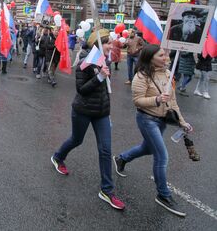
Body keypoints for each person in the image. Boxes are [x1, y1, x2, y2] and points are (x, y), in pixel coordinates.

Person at [113, 45, 193, 217]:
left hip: (163, 120)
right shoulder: (141, 76)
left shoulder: (167, 73)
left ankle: (121, 158)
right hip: (147, 120)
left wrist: (182, 122)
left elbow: (173, 102)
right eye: (161, 55)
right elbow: (137, 101)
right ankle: (163, 195)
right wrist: (157, 99)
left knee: (148, 148)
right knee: (161, 155)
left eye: (166, 54)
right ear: (150, 57)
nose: (166, 57)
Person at [50, 29, 126, 211]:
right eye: (107, 43)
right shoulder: (86, 60)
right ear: (97, 43)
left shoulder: (105, 59)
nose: (111, 46)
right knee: (77, 140)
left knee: (106, 150)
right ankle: (58, 157)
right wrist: (100, 77)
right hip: (82, 110)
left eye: (111, 42)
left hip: (101, 113)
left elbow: (105, 92)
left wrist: (108, 113)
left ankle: (107, 190)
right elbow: (81, 89)